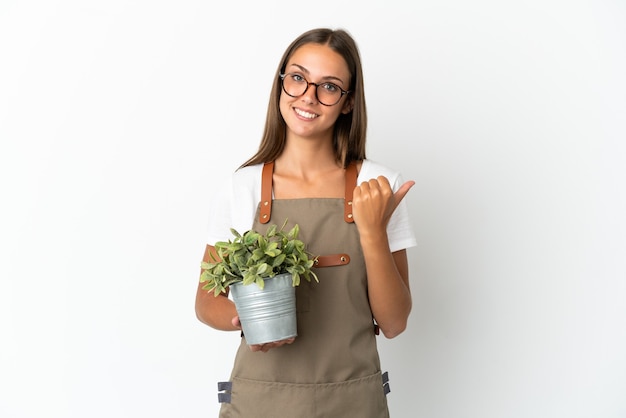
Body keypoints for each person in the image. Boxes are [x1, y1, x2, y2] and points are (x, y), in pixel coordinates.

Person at [195, 27, 417, 418]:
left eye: (328, 86)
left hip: (353, 403)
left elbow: (394, 321)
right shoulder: (243, 186)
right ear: (281, 83)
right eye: (297, 78)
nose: (308, 97)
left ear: (348, 103)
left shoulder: (377, 186)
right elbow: (205, 301)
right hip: (259, 402)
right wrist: (248, 320)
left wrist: (371, 230)